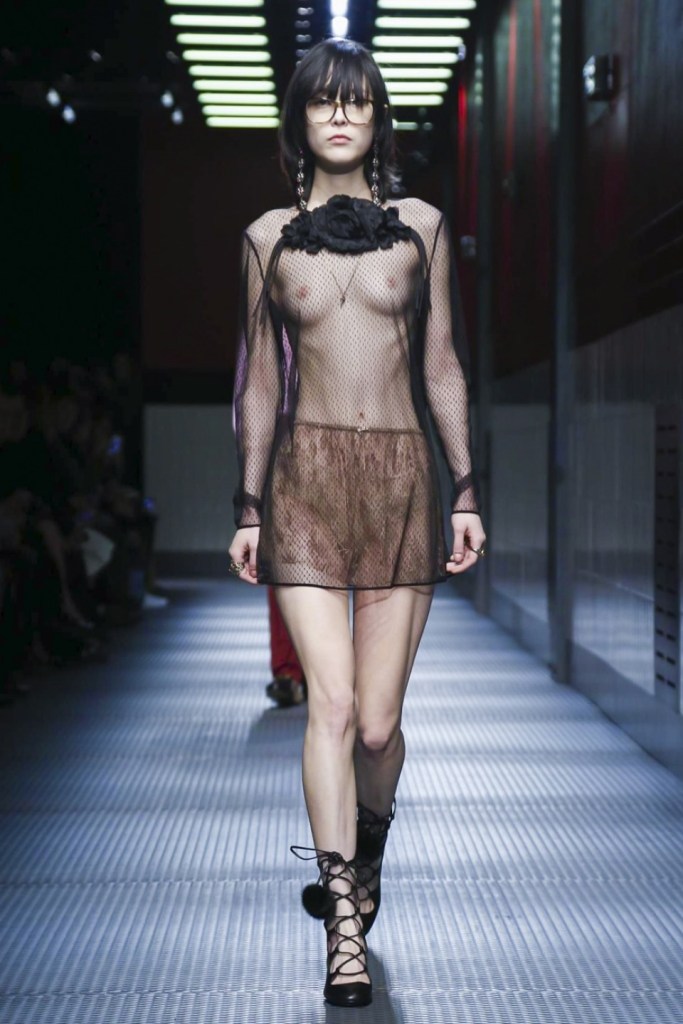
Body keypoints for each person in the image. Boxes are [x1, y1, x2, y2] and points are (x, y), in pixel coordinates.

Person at [228, 37, 487, 1008]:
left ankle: (366, 855)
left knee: (377, 728)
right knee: (329, 708)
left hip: (402, 484)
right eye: (322, 102)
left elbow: (441, 363)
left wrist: (465, 490)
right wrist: (248, 506)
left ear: (378, 120)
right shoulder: (264, 238)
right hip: (303, 486)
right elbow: (259, 382)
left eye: (358, 102)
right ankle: (343, 923)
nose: (339, 117)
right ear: (298, 119)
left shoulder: (421, 228)